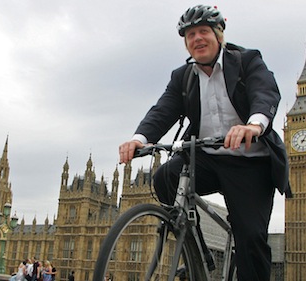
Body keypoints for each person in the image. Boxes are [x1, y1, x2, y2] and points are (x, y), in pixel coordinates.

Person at [118, 5, 291, 281]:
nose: (197, 38)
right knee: (165, 177)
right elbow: (163, 110)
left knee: (251, 238)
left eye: (203, 32)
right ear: (186, 44)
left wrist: (253, 124)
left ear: (219, 35)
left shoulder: (246, 61)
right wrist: (139, 139)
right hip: (206, 158)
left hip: (250, 163)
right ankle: (195, 251)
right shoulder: (183, 77)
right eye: (190, 35)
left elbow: (265, 91)